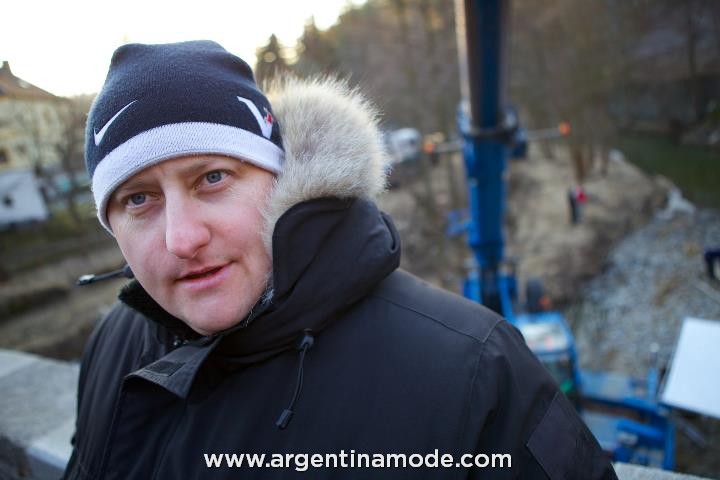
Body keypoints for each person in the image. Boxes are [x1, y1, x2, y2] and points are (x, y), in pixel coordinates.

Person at [63, 40, 616, 479]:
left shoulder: (474, 372)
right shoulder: (114, 344)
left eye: (212, 178)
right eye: (138, 199)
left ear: (279, 179)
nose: (182, 239)